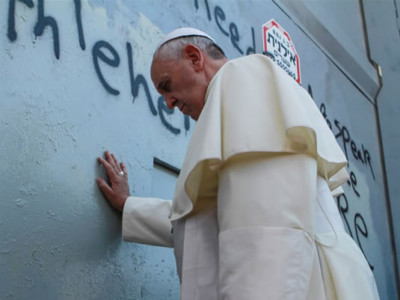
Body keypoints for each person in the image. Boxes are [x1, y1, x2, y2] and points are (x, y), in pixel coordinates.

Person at [96, 27, 380, 299]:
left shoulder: (244, 79)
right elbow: (200, 223)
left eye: (167, 86)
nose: (169, 104)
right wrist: (129, 206)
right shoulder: (233, 100)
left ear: (195, 58)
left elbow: (267, 235)